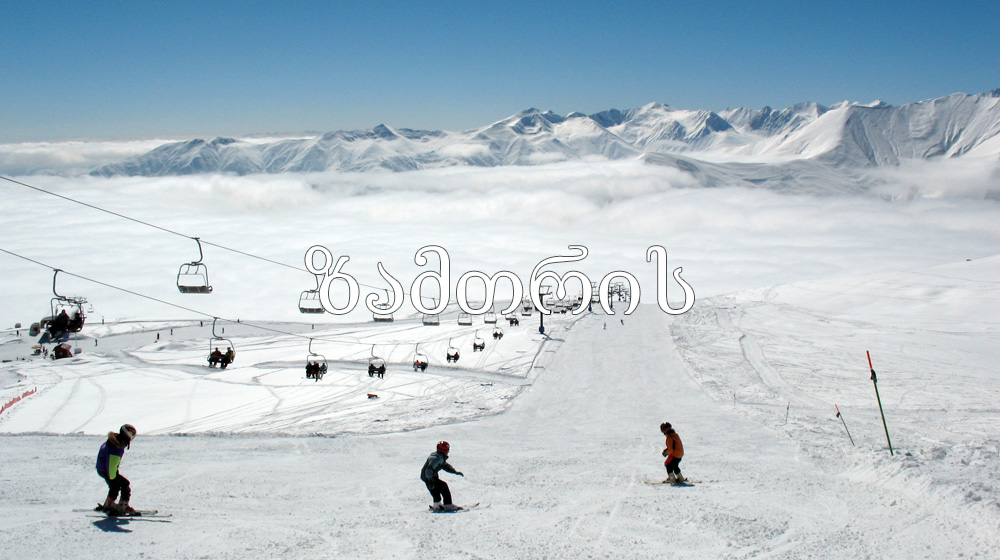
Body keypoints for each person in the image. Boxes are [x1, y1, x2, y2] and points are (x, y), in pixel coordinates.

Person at [96, 424, 139, 515]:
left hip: (102, 468)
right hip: (107, 470)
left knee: (115, 486)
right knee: (124, 484)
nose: (131, 437)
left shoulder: (115, 441)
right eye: (130, 434)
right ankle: (122, 507)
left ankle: (109, 504)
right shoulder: (116, 448)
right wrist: (113, 477)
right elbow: (111, 467)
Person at [420, 441, 464, 511]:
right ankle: (448, 504)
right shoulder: (436, 458)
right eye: (447, 450)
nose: (448, 452)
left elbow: (445, 466)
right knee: (443, 486)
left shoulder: (440, 457)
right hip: (429, 477)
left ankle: (437, 504)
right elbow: (429, 469)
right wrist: (430, 480)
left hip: (428, 477)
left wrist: (454, 472)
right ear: (442, 450)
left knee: (435, 490)